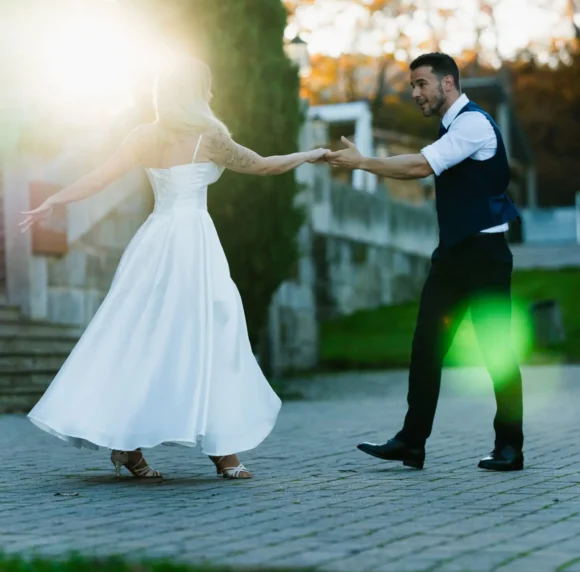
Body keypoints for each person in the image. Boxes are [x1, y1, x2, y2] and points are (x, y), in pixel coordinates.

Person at [21, 58, 329, 480]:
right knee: (195, 334)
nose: (212, 93)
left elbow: (100, 177)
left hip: (157, 239)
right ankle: (172, 450)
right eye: (207, 86)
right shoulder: (209, 136)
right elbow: (262, 165)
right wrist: (310, 154)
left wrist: (56, 199)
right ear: (195, 92)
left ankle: (178, 448)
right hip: (189, 243)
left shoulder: (146, 136)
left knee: (167, 335)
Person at [325, 52, 524, 472]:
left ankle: (510, 447)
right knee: (426, 348)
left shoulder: (473, 124)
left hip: (485, 256)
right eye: (412, 85)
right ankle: (411, 443)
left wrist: (363, 162)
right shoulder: (451, 126)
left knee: (496, 351)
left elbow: (419, 165)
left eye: (421, 84)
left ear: (447, 82)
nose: (415, 93)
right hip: (451, 256)